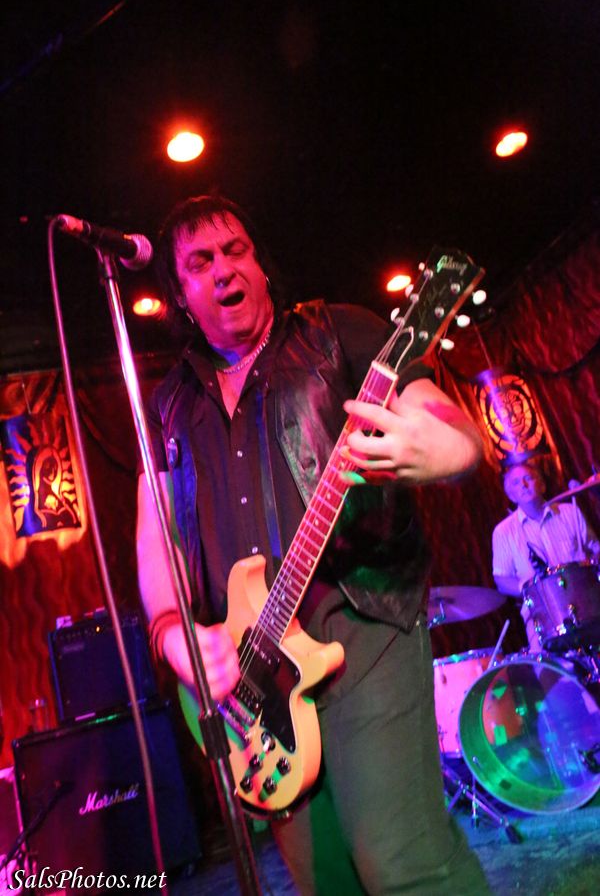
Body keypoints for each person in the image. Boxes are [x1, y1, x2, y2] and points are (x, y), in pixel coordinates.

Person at [136, 194, 490, 894]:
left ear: (260, 265)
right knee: (326, 883)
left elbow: (438, 417)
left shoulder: (338, 332)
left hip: (362, 626)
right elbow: (158, 537)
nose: (224, 269)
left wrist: (447, 448)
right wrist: (172, 634)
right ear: (179, 295)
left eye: (236, 250)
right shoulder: (170, 406)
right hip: (254, 678)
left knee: (400, 864)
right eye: (201, 262)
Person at [492, 459, 600, 651]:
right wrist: (533, 589)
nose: (523, 485)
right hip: (542, 616)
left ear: (541, 485)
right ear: (511, 495)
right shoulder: (503, 532)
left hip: (587, 604)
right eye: (516, 483)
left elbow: (595, 550)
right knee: (553, 668)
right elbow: (502, 580)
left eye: (528, 478)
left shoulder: (570, 511)